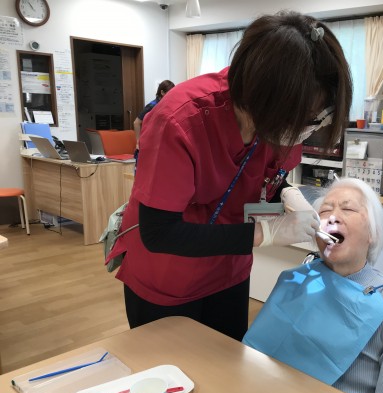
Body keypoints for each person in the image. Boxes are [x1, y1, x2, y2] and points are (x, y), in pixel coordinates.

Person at [106, 11, 352, 342]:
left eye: (318, 118)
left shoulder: (279, 122)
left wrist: (289, 196)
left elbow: (267, 181)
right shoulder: (179, 120)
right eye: (306, 118)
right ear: (265, 101)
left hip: (229, 271)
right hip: (169, 276)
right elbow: (160, 233)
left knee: (229, 362)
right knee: (171, 367)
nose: (308, 128)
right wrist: (266, 232)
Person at [244, 178, 383, 393]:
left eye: (348, 209)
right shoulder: (295, 280)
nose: (332, 217)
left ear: (372, 233)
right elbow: (255, 356)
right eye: (324, 211)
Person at [133, 79, 175, 150]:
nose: (172, 96)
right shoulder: (152, 105)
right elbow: (136, 122)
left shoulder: (167, 105)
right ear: (162, 92)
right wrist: (138, 142)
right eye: (170, 93)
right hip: (149, 141)